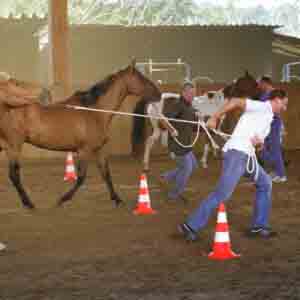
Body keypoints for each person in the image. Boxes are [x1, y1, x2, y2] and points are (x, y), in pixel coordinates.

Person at [178, 89, 288, 240]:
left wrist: (259, 144)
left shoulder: (268, 119)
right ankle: (190, 226)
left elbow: (258, 145)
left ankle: (259, 226)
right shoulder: (261, 107)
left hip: (248, 157)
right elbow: (235, 101)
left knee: (265, 183)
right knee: (222, 194)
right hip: (237, 154)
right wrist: (215, 117)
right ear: (276, 100)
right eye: (284, 104)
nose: (285, 108)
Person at [159, 80, 200, 201]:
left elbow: (191, 115)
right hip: (178, 145)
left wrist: (198, 115)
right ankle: (174, 194)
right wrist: (171, 130)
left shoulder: (189, 105)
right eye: (191, 93)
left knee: (193, 166)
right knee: (187, 168)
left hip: (187, 144)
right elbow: (162, 120)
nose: (193, 96)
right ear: (184, 93)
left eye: (194, 93)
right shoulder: (177, 105)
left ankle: (167, 176)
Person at [258, 76, 287, 183]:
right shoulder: (265, 95)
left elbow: (280, 110)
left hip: (273, 125)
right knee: (265, 150)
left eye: (260, 83)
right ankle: (277, 170)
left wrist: (281, 127)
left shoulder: (274, 94)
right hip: (267, 125)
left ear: (265, 83)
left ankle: (281, 174)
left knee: (274, 150)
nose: (259, 85)